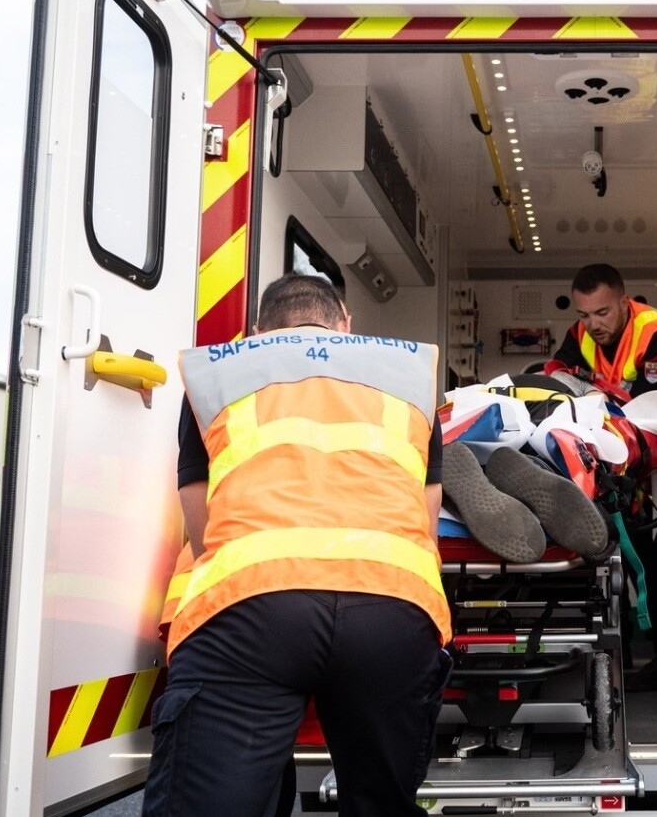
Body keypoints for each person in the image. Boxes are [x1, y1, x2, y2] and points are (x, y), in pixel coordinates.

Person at [143, 273, 452, 817]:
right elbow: (423, 529)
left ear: (260, 331)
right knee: (381, 804)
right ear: (346, 324)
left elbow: (202, 525)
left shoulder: (219, 373)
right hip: (394, 606)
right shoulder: (409, 376)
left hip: (253, 605)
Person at [545, 263, 657, 698]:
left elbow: (644, 409)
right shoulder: (583, 333)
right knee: (654, 565)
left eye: (602, 313)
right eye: (585, 314)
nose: (592, 324)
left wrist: (589, 394)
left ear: (624, 303)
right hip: (649, 464)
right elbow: (554, 371)